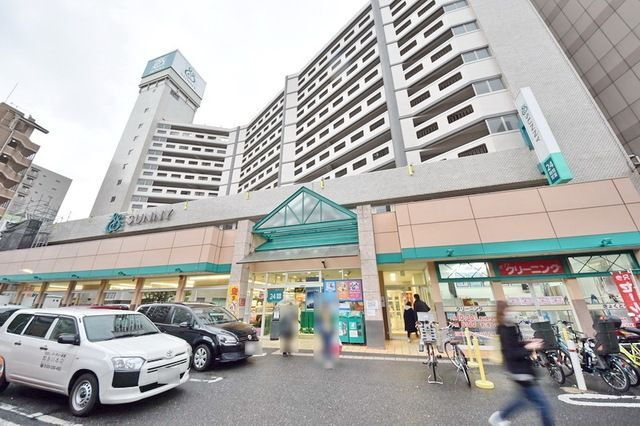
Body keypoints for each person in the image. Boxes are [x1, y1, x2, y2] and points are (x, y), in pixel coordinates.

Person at [489, 301, 554, 426]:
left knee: (524, 400)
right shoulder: (505, 329)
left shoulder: (510, 326)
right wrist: (529, 347)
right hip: (519, 371)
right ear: (502, 313)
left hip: (521, 369)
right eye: (507, 310)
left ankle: (501, 416)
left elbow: (514, 345)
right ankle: (500, 416)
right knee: (542, 403)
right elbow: (510, 353)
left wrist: (528, 343)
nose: (510, 312)